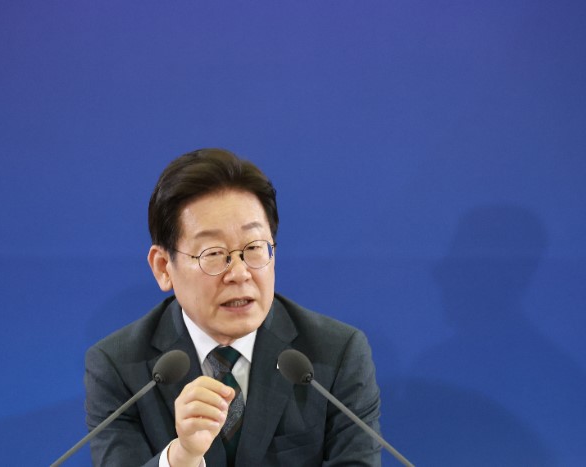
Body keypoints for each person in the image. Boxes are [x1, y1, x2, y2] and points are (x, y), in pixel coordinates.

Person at [84, 148, 381, 466]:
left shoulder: (336, 354)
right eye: (213, 253)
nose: (239, 273)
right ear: (163, 267)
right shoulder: (118, 366)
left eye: (254, 248)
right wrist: (182, 456)